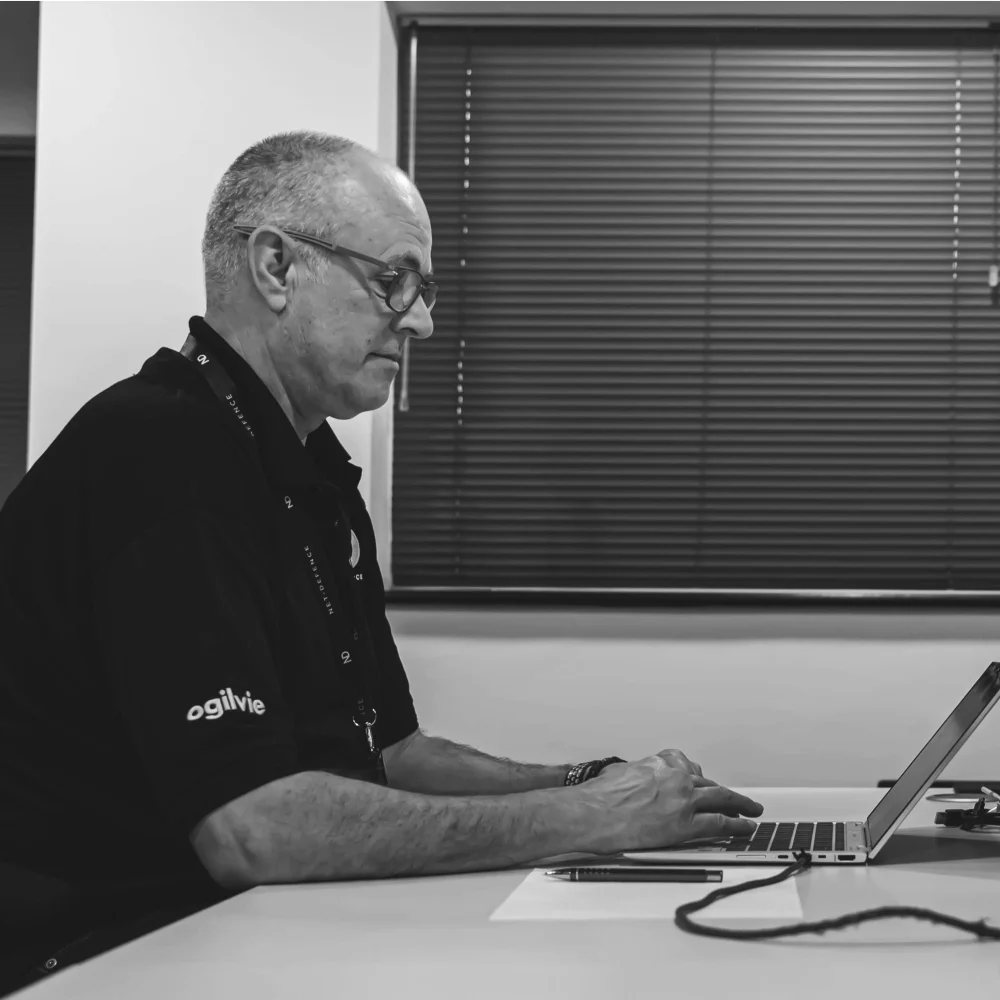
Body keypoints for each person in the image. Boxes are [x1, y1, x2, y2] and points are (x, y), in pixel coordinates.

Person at [0, 131, 762, 987]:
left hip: (244, 925)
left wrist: (589, 780)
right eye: (394, 280)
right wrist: (583, 816)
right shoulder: (160, 455)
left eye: (426, 290)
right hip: (105, 952)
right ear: (277, 268)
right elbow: (252, 829)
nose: (423, 321)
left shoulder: (311, 473)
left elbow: (391, 752)